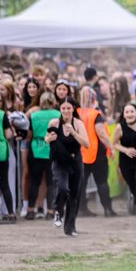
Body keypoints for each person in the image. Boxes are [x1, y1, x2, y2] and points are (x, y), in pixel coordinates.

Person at [45, 97, 90, 236]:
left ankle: (70, 227)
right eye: (63, 108)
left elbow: (86, 144)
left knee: (74, 195)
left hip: (75, 161)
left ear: (73, 109)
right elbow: (46, 138)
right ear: (60, 109)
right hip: (59, 161)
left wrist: (73, 133)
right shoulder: (54, 122)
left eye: (68, 108)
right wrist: (48, 139)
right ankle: (58, 211)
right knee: (63, 188)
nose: (65, 111)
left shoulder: (78, 123)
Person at [76, 87, 115, 217]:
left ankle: (82, 209)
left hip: (81, 153)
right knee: (102, 182)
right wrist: (111, 147)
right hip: (97, 154)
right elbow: (101, 133)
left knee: (81, 183)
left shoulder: (76, 113)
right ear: (94, 98)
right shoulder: (95, 114)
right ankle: (108, 209)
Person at [26, 91, 59, 220]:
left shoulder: (34, 115)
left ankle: (30, 210)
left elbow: (29, 135)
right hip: (52, 150)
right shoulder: (58, 114)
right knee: (51, 182)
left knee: (35, 181)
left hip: (37, 149)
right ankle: (50, 211)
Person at [0, 93, 16, 223]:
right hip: (0, 153)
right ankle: (11, 213)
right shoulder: (1, 114)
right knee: (4, 184)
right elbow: (8, 135)